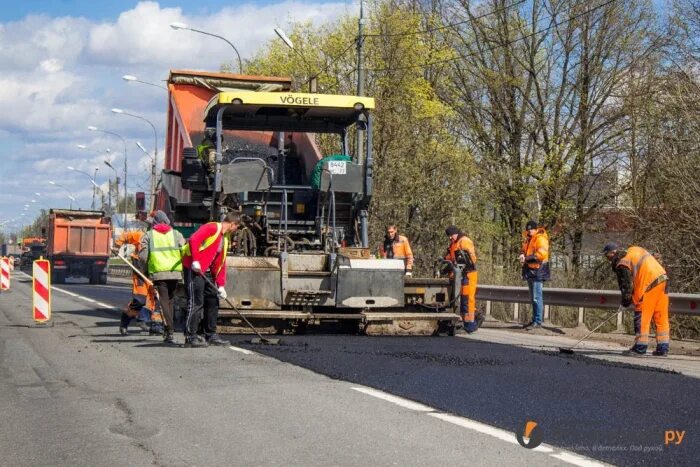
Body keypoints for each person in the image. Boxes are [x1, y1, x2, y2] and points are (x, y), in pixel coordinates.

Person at [182, 212, 240, 347]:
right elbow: (194, 240)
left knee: (213, 300)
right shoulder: (212, 228)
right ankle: (190, 337)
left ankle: (211, 334)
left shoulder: (225, 238)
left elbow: (220, 262)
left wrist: (221, 285)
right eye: (237, 226)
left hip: (206, 271)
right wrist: (196, 261)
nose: (236, 230)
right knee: (196, 302)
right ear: (232, 224)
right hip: (193, 268)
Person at [603, 242, 670, 356]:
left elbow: (626, 286)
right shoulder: (634, 250)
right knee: (660, 316)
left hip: (649, 284)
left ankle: (640, 347)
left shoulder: (622, 263)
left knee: (642, 316)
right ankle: (663, 348)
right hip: (663, 280)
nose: (608, 259)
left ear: (613, 253)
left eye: (608, 256)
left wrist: (625, 303)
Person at [139, 210, 185, 345]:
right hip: (175, 273)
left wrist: (145, 271)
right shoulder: (176, 234)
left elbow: (143, 257)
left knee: (164, 301)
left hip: (159, 274)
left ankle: (169, 330)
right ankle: (168, 330)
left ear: (155, 222)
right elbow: (185, 250)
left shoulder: (149, 235)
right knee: (170, 300)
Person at [114, 229, 156, 335]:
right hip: (140, 271)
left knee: (152, 299)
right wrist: (116, 246)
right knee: (140, 299)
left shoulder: (164, 240)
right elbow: (126, 235)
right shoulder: (141, 235)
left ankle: (148, 322)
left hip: (154, 272)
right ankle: (125, 321)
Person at [444, 225, 482, 333]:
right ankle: (472, 319)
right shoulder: (453, 244)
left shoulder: (464, 241)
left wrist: (461, 261)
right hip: (460, 275)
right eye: (449, 236)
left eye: (451, 235)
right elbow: (449, 259)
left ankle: (470, 324)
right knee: (462, 300)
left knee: (467, 299)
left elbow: (472, 259)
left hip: (468, 274)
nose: (450, 238)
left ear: (456, 233)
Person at [519, 220, 550, 329]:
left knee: (537, 297)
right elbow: (524, 250)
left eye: (531, 229)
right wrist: (522, 255)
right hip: (530, 269)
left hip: (538, 270)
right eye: (528, 229)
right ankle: (534, 320)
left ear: (536, 229)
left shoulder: (540, 238)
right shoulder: (528, 239)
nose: (529, 231)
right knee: (533, 298)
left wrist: (526, 258)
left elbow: (541, 254)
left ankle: (538, 321)